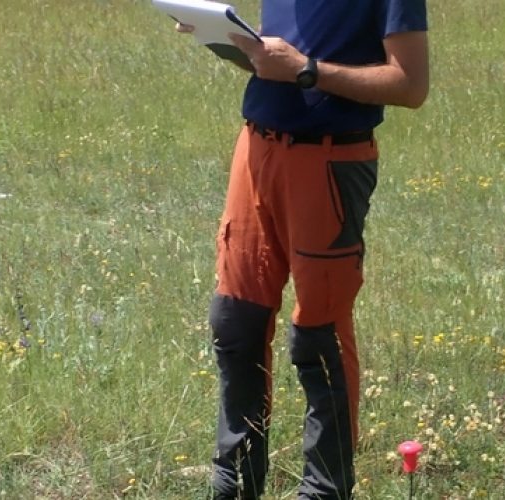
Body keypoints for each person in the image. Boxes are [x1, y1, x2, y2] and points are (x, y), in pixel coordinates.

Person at [179, 1, 429, 498]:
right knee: (235, 319)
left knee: (320, 333)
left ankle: (325, 489)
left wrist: (306, 71)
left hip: (330, 159)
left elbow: (410, 85)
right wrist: (227, 41)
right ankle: (234, 482)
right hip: (255, 148)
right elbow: (278, 58)